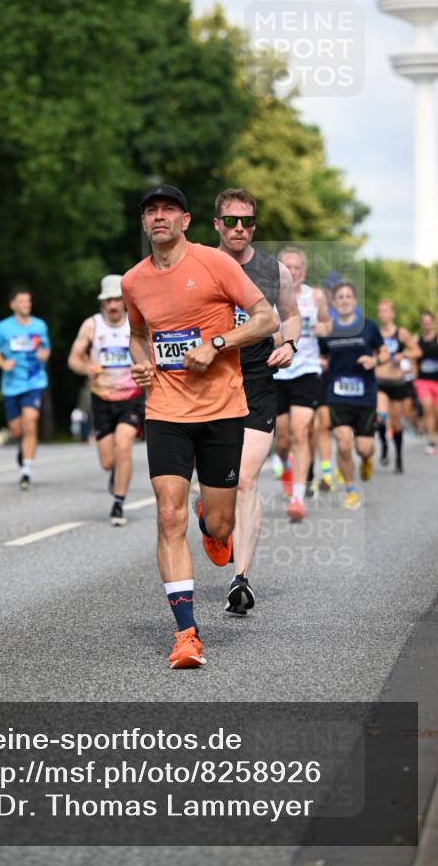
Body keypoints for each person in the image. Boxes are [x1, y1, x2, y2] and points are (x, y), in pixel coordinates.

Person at [121, 183, 278, 669]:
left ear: (186, 220)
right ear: (144, 222)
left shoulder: (216, 264)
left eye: (169, 209)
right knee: (169, 516)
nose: (160, 216)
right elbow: (137, 334)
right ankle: (186, 633)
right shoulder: (133, 281)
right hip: (166, 410)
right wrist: (141, 362)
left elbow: (266, 319)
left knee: (220, 523)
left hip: (222, 410)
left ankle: (212, 522)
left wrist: (217, 343)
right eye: (151, 210)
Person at [192, 189, 300, 616]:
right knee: (216, 490)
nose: (240, 228)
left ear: (254, 225)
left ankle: (241, 579)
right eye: (231, 221)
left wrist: (289, 343)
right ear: (216, 224)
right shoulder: (197, 264)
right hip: (209, 382)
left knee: (246, 480)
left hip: (256, 381)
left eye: (248, 221)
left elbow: (290, 314)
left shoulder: (274, 271)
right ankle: (210, 517)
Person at [68, 274, 144, 526]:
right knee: (108, 461)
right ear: (102, 303)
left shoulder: (135, 324)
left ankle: (118, 503)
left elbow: (150, 352)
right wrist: (86, 367)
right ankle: (115, 475)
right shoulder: (92, 325)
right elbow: (73, 359)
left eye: (117, 300)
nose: (113, 305)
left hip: (131, 397)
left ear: (124, 301)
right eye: (108, 300)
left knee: (124, 446)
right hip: (101, 398)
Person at [273, 247, 331, 522]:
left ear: (303, 271)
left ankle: (297, 497)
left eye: (297, 267)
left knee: (300, 431)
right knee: (283, 438)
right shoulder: (269, 296)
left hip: (306, 371)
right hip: (277, 373)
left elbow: (327, 324)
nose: (293, 271)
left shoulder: (315, 296)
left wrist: (323, 328)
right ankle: (284, 463)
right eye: (288, 266)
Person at [319, 282, 388, 510]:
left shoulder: (369, 327)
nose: (345, 300)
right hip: (337, 394)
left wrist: (375, 361)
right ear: (334, 302)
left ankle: (367, 459)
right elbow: (322, 355)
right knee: (343, 443)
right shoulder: (328, 330)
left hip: (365, 394)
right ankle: (350, 491)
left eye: (349, 296)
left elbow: (384, 353)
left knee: (363, 448)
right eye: (340, 297)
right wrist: (321, 362)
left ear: (355, 301)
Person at [0, 287, 51, 490]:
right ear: (13, 304)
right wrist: (3, 363)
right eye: (22, 301)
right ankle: (22, 447)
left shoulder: (39, 325)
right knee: (17, 430)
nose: (26, 304)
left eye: (28, 301)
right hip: (11, 385)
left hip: (34, 381)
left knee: (30, 422)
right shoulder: (3, 327)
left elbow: (46, 348)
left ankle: (27, 470)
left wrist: (44, 354)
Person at [375, 299, 421, 473]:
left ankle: (399, 457)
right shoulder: (376, 333)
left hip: (397, 382)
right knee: (380, 416)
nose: (383, 314)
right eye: (381, 311)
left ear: (392, 313)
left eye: (386, 311)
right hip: (380, 380)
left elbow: (417, 351)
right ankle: (384, 446)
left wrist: (404, 355)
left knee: (396, 424)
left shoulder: (401, 333)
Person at [415, 309, 438, 455]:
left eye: (429, 322)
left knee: (435, 411)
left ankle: (432, 431)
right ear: (421, 324)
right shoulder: (416, 340)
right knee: (427, 409)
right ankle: (431, 441)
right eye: (424, 322)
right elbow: (412, 356)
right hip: (422, 381)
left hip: (437, 381)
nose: (427, 325)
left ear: (433, 323)